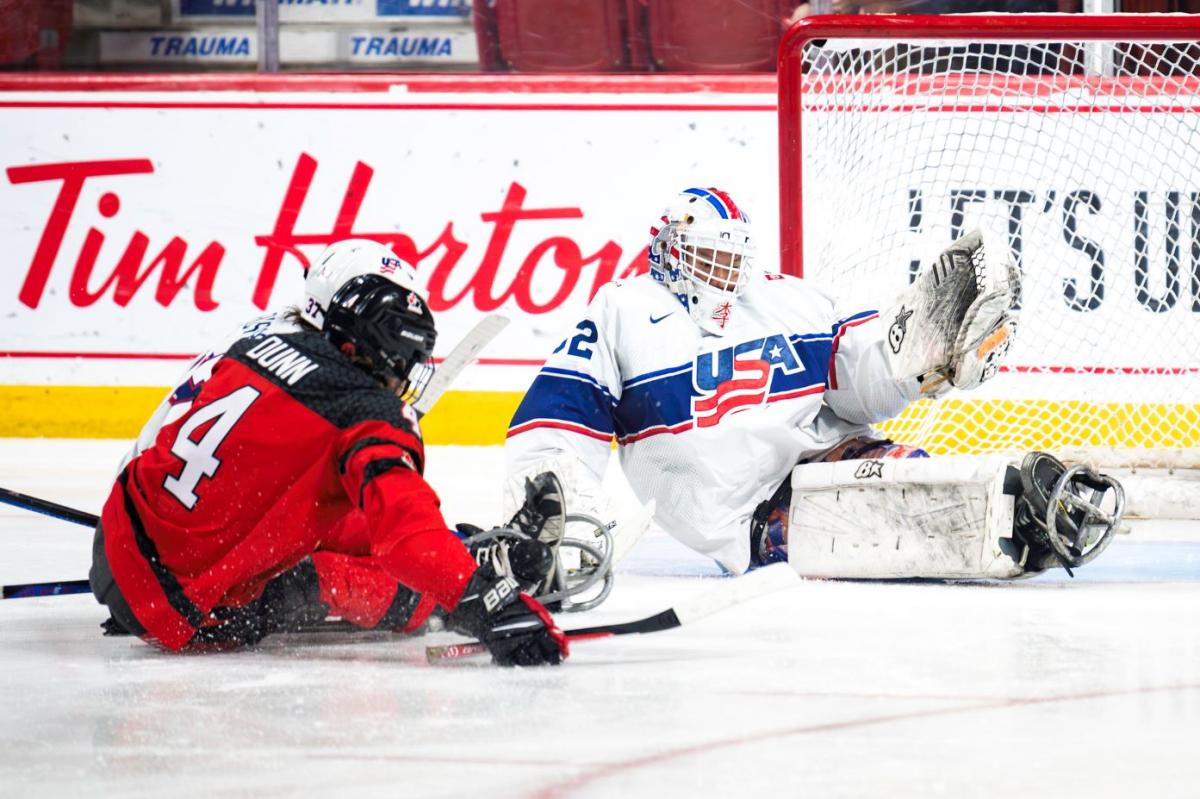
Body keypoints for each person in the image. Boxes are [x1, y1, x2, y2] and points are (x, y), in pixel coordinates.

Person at [504, 187, 1125, 582]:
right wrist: (558, 509)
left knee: (918, 484)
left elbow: (856, 375)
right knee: (897, 522)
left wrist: (922, 361)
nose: (724, 272)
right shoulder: (622, 311)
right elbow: (559, 419)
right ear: (668, 250)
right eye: (707, 256)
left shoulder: (784, 299)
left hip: (830, 456)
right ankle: (1024, 518)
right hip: (746, 515)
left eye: (732, 257)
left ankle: (1024, 505)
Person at [88, 238, 568, 666]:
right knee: (330, 577)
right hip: (180, 608)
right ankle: (458, 587)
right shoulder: (366, 411)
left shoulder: (256, 340)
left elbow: (162, 434)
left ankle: (461, 552)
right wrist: (488, 604)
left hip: (120, 534)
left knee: (334, 510)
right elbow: (404, 541)